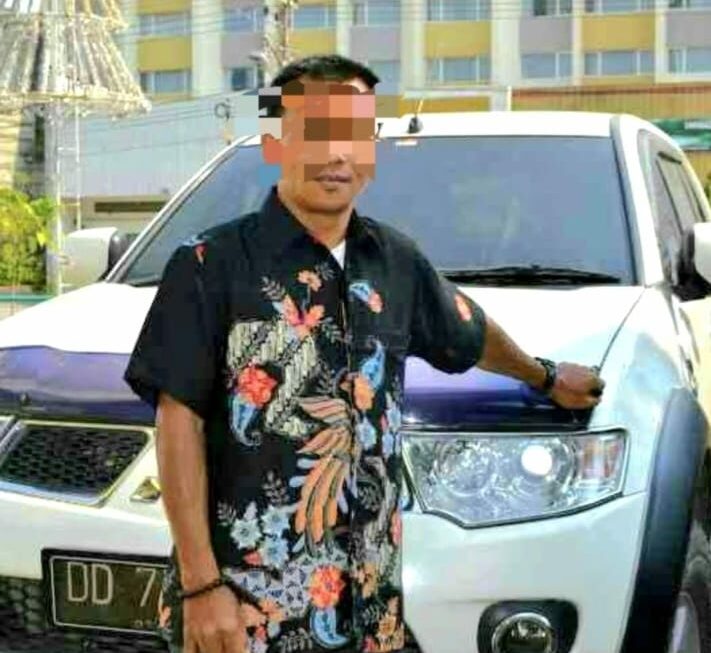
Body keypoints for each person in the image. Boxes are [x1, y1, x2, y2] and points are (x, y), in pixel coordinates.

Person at [124, 54, 605, 653]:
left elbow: (467, 332)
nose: (337, 154)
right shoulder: (207, 265)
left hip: (370, 610)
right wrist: (201, 587)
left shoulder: (395, 263)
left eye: (354, 133)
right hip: (246, 611)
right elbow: (178, 423)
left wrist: (545, 376)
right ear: (274, 141)